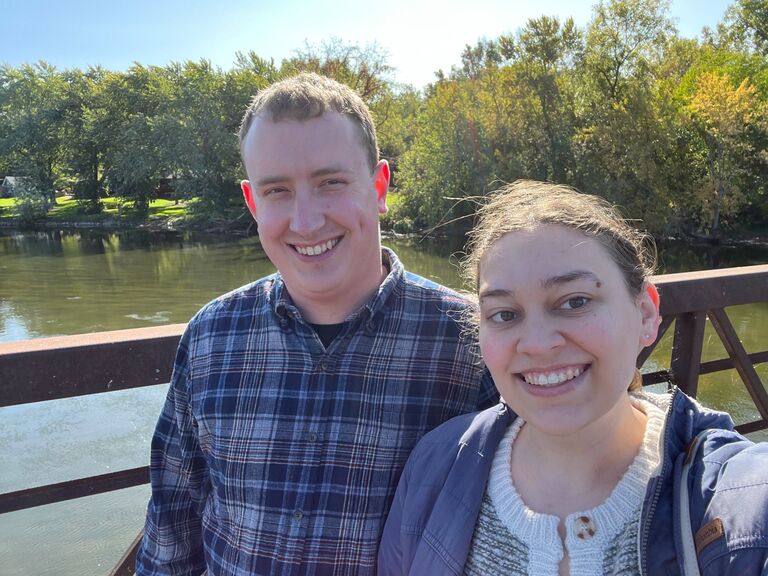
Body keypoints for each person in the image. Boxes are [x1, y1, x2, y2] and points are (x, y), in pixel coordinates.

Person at [135, 73, 497, 576]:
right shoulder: (210, 336)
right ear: (252, 202)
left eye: (330, 183)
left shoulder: (471, 340)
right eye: (277, 190)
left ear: (379, 186)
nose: (306, 222)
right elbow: (172, 517)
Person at [378, 180, 768, 575]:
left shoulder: (736, 500)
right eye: (504, 314)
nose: (538, 344)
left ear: (647, 315)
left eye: (575, 302)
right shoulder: (433, 469)